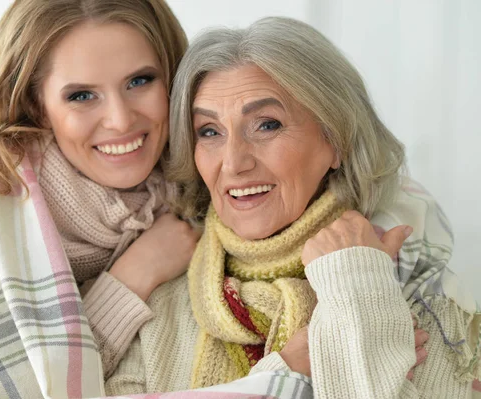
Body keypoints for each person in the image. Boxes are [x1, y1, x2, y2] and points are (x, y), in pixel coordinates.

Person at [104, 17, 481, 398]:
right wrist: (282, 374)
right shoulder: (161, 302)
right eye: (209, 131)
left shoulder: (411, 288)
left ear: (336, 140)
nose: (233, 163)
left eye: (266, 125)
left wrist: (355, 284)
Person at [0, 0, 203, 397]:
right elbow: (20, 389)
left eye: (140, 81)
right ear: (38, 105)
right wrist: (133, 278)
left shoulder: (197, 183)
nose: (120, 119)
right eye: (82, 96)